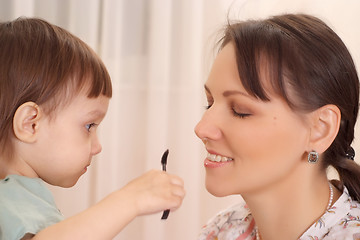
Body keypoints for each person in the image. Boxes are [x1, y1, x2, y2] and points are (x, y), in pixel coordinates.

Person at [0, 17, 185, 240]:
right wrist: (131, 198)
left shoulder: (22, 198)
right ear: (30, 124)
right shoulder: (8, 197)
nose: (97, 147)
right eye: (89, 126)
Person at [195, 13, 360, 240]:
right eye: (210, 103)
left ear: (320, 129)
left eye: (240, 111)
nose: (202, 128)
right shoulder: (221, 230)